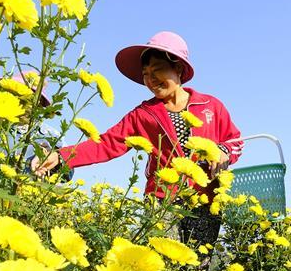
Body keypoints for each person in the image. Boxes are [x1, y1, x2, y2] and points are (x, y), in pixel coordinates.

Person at [32, 31, 243, 245]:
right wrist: (61, 156)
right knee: (164, 267)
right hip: (162, 201)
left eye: (157, 71)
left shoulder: (210, 106)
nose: (150, 80)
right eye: (145, 74)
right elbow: (107, 143)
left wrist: (224, 151)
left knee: (199, 267)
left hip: (205, 200)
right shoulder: (144, 114)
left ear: (178, 68)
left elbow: (234, 141)